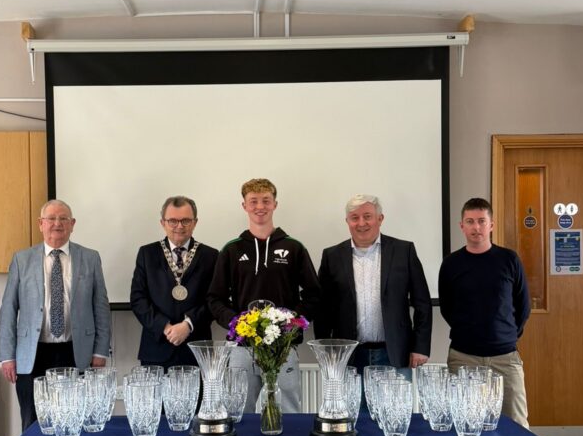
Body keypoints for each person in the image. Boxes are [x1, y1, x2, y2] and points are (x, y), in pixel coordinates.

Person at [207, 177, 320, 414]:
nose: (260, 207)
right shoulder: (231, 249)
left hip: (283, 347)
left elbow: (314, 294)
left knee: (288, 412)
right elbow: (215, 298)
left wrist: (291, 323)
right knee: (238, 412)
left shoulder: (294, 248)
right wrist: (236, 323)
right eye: (254, 201)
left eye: (266, 201)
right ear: (244, 206)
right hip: (242, 348)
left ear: (275, 204)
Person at [0, 199, 111, 432]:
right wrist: (7, 355)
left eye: (63, 219)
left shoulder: (90, 258)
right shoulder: (22, 259)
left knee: (75, 420)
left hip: (76, 351)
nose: (57, 224)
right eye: (51, 218)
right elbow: (8, 309)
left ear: (72, 224)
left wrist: (100, 351)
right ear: (41, 224)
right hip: (33, 353)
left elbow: (101, 307)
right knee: (32, 422)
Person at [316, 195, 432, 386]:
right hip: (348, 357)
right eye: (355, 218)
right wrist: (326, 352)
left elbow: (422, 303)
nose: (361, 223)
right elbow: (323, 309)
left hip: (395, 354)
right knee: (352, 407)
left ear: (380, 218)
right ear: (347, 221)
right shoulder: (332, 256)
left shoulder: (404, 251)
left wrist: (420, 347)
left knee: (394, 406)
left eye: (367, 216)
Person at [438, 197, 530, 428]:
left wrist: (506, 335)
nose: (476, 227)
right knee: (466, 424)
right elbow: (447, 308)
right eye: (470, 221)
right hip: (464, 357)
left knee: (517, 424)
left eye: (481, 221)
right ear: (461, 226)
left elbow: (523, 305)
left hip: (505, 358)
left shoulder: (509, 259)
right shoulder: (451, 264)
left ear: (491, 225)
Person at [130, 196, 218, 368]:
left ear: (195, 222)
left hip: (197, 350)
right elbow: (138, 299)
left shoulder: (211, 256)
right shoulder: (147, 254)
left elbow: (214, 300)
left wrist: (188, 325)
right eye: (172, 221)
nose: (179, 226)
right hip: (157, 349)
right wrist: (165, 327)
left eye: (185, 221)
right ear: (163, 223)